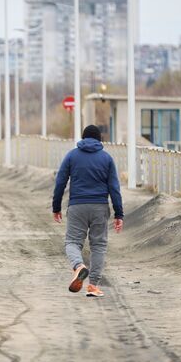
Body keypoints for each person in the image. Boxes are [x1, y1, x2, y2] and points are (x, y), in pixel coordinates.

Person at [52, 125, 124, 297]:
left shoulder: (71, 156)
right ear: (100, 140)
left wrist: (56, 207)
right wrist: (118, 213)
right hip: (100, 207)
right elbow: (114, 188)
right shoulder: (106, 158)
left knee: (72, 242)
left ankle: (78, 266)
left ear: (83, 138)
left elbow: (60, 182)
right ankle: (92, 285)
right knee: (98, 246)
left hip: (77, 206)